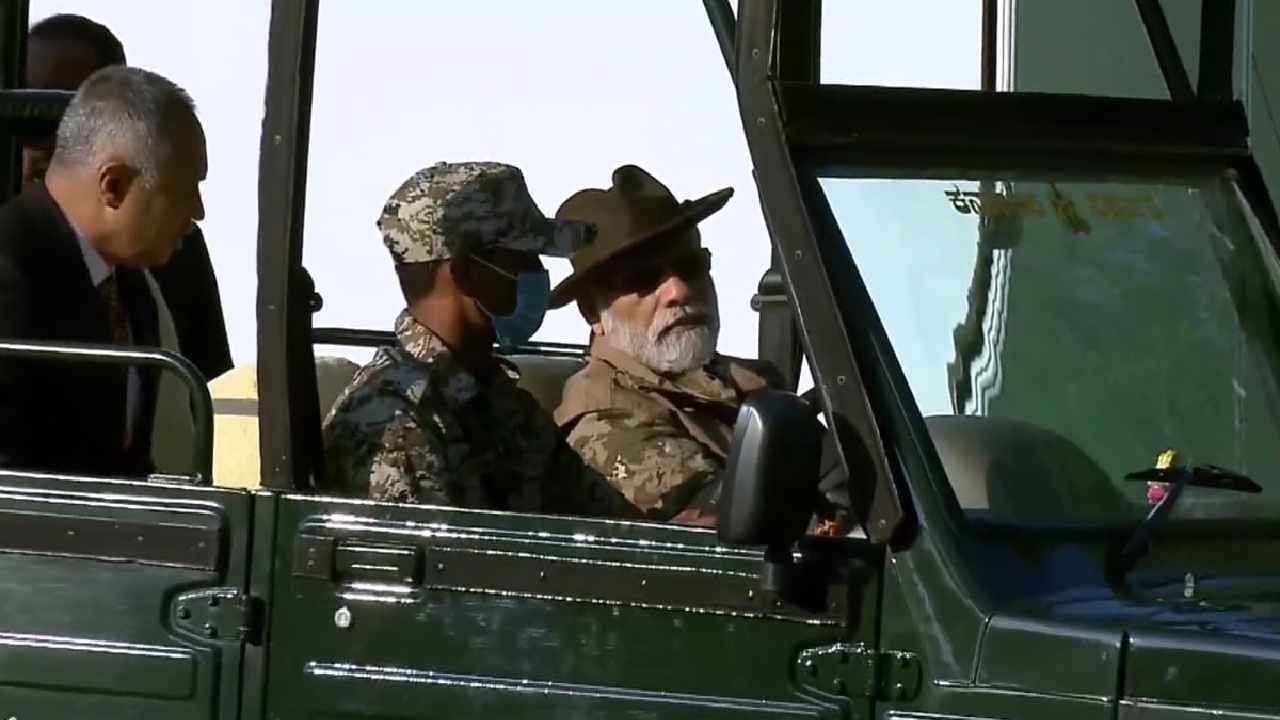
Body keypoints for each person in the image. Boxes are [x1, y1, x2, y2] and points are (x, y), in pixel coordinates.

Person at [321, 161, 640, 518]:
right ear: (467, 274)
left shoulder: (492, 395)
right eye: (524, 258)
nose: (538, 273)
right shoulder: (394, 425)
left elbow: (606, 519)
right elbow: (437, 553)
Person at [0, 65, 208, 475]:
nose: (197, 212)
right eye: (185, 189)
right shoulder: (11, 273)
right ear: (113, 186)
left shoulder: (130, 283)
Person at [550, 165, 783, 524]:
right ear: (592, 312)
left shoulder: (736, 380)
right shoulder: (605, 419)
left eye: (691, 266)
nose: (679, 291)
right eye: (642, 279)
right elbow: (734, 521)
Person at [22, 12, 233, 382]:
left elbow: (208, 384)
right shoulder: (14, 257)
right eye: (29, 113)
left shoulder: (169, 246)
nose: (48, 143)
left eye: (69, 119)